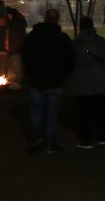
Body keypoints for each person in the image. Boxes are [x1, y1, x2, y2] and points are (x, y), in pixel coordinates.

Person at [21, 8, 75, 154]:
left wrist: (30, 71)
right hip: (55, 80)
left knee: (36, 111)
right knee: (52, 113)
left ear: (45, 18)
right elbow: (70, 59)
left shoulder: (33, 36)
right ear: (57, 20)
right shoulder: (62, 38)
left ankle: (37, 139)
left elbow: (24, 55)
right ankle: (50, 142)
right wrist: (65, 73)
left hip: (36, 79)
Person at [66, 16, 105, 149]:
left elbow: (71, 62)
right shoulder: (101, 41)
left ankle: (86, 140)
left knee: (85, 112)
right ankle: (102, 137)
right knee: (100, 110)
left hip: (83, 82)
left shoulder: (76, 44)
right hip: (101, 80)